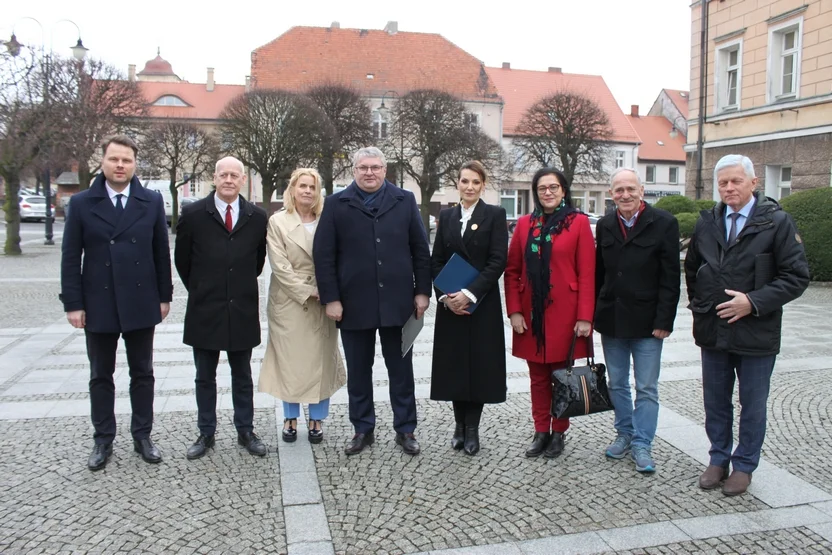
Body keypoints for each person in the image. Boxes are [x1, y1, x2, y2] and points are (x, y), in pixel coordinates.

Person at [685, 154, 808, 495]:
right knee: (715, 401)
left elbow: (796, 277)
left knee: (752, 403)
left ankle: (744, 465)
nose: (728, 188)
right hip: (713, 329)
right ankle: (718, 458)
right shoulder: (707, 221)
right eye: (722, 182)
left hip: (757, 332)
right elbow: (693, 269)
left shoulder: (776, 223)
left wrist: (752, 302)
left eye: (736, 181)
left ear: (754, 183)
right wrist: (701, 305)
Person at [60, 135, 173, 471]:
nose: (120, 166)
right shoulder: (82, 203)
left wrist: (164, 296)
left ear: (135, 164)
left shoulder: (150, 201)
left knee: (143, 373)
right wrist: (73, 304)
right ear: (103, 162)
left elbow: (159, 253)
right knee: (100, 374)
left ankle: (142, 435)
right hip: (99, 301)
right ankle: (103, 438)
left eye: (126, 160)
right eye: (114, 160)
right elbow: (70, 257)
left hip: (140, 299)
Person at [313, 146, 431, 456]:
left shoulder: (404, 201)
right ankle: (362, 428)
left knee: (401, 371)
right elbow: (324, 255)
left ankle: (406, 429)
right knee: (359, 371)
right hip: (353, 303)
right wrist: (331, 299)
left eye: (375, 167)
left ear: (385, 170)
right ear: (353, 170)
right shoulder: (337, 204)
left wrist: (422, 291)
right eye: (363, 167)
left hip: (398, 302)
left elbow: (420, 249)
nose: (370, 172)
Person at [174, 156, 268, 459]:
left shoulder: (257, 217)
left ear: (243, 180)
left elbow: (257, 262)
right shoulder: (193, 214)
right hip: (205, 308)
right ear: (214, 178)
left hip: (241, 307)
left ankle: (245, 430)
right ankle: (206, 432)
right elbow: (183, 261)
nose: (229, 180)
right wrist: (202, 289)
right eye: (223, 174)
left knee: (242, 374)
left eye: (235, 175)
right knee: (205, 375)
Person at [504, 168, 595, 459]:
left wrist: (584, 316)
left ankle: (559, 432)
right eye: (542, 188)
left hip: (567, 314)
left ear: (563, 190)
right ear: (536, 192)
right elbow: (512, 271)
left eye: (553, 187)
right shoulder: (524, 225)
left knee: (562, 376)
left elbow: (587, 273)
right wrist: (515, 311)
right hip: (532, 315)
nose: (548, 192)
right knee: (537, 377)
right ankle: (541, 430)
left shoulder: (578, 223)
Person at [594, 168, 681, 474]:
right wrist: (594, 313)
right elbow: (599, 274)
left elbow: (671, 277)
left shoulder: (665, 223)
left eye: (630, 189)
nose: (625, 195)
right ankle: (624, 433)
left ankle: (642, 442)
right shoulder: (605, 225)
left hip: (648, 322)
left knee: (646, 386)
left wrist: (664, 320)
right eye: (619, 190)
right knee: (617, 383)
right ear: (611, 193)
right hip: (613, 319)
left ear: (642, 190)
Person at [259, 168, 346, 444]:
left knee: (322, 360)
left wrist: (330, 290)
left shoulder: (328, 219)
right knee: (289, 362)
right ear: (292, 190)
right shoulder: (278, 222)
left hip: (324, 299)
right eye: (302, 186)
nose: (307, 191)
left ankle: (317, 418)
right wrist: (309, 291)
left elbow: (340, 255)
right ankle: (290, 417)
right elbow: (280, 266)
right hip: (290, 302)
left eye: (313, 186)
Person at [430, 161, 508, 456]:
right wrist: (446, 296)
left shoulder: (494, 215)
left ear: (483, 185)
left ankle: (473, 428)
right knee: (454, 367)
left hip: (481, 304)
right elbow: (436, 259)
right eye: (465, 181)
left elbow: (498, 260)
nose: (470, 187)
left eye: (476, 182)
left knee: (479, 367)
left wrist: (469, 293)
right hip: (451, 306)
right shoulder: (447, 216)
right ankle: (458, 426)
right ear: (458, 183)